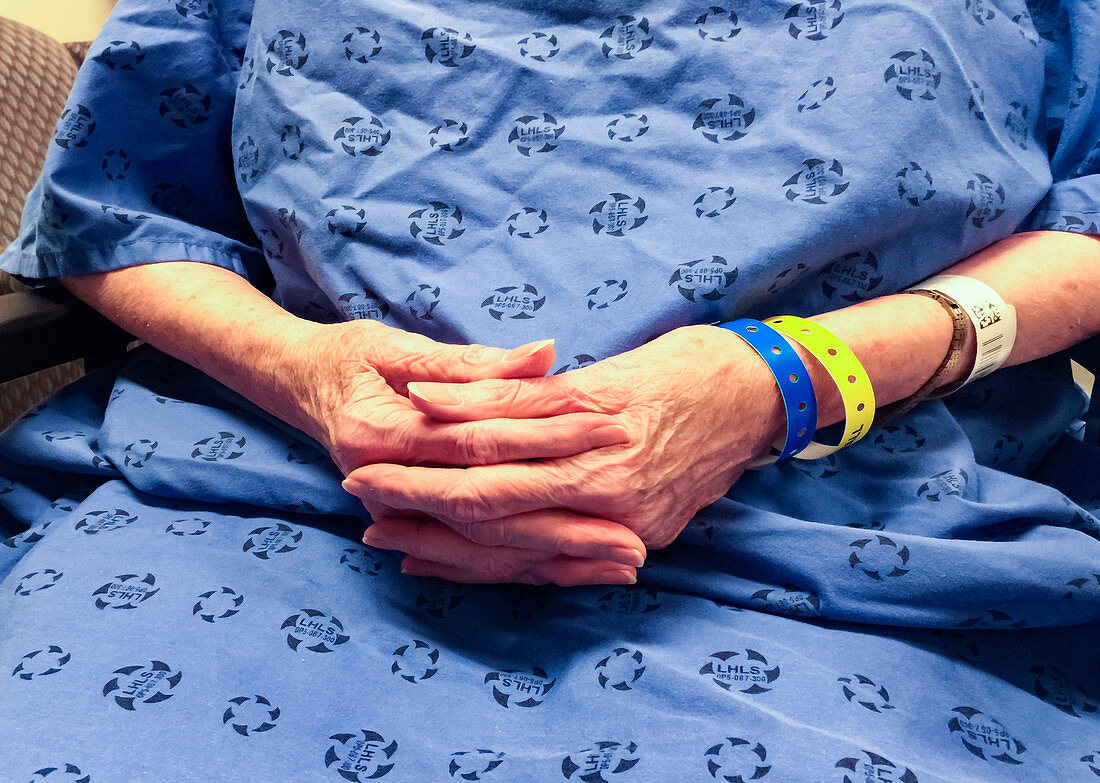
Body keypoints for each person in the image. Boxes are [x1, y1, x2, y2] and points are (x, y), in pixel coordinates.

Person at [0, 0, 1097, 779]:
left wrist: (793, 379)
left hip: (866, 521)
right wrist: (304, 372)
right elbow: (118, 214)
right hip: (275, 491)